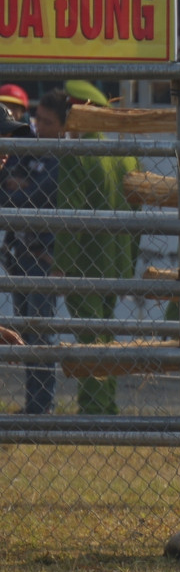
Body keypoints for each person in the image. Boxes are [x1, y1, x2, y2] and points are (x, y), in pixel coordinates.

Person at [52, 81, 140, 416]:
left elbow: (70, 216)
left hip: (84, 262)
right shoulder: (126, 156)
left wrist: (61, 264)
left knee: (90, 337)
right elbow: (136, 215)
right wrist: (128, 264)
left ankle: (92, 406)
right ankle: (108, 402)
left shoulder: (78, 156)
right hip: (116, 260)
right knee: (106, 336)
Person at [0, 93, 65, 414]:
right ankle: (34, 405)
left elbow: (39, 195)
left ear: (65, 127)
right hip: (20, 253)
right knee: (25, 333)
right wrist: (23, 187)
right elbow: (6, 193)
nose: (40, 126)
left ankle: (43, 406)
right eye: (38, 119)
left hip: (43, 256)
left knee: (41, 331)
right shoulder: (28, 150)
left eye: (48, 122)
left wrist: (21, 186)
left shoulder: (63, 156)